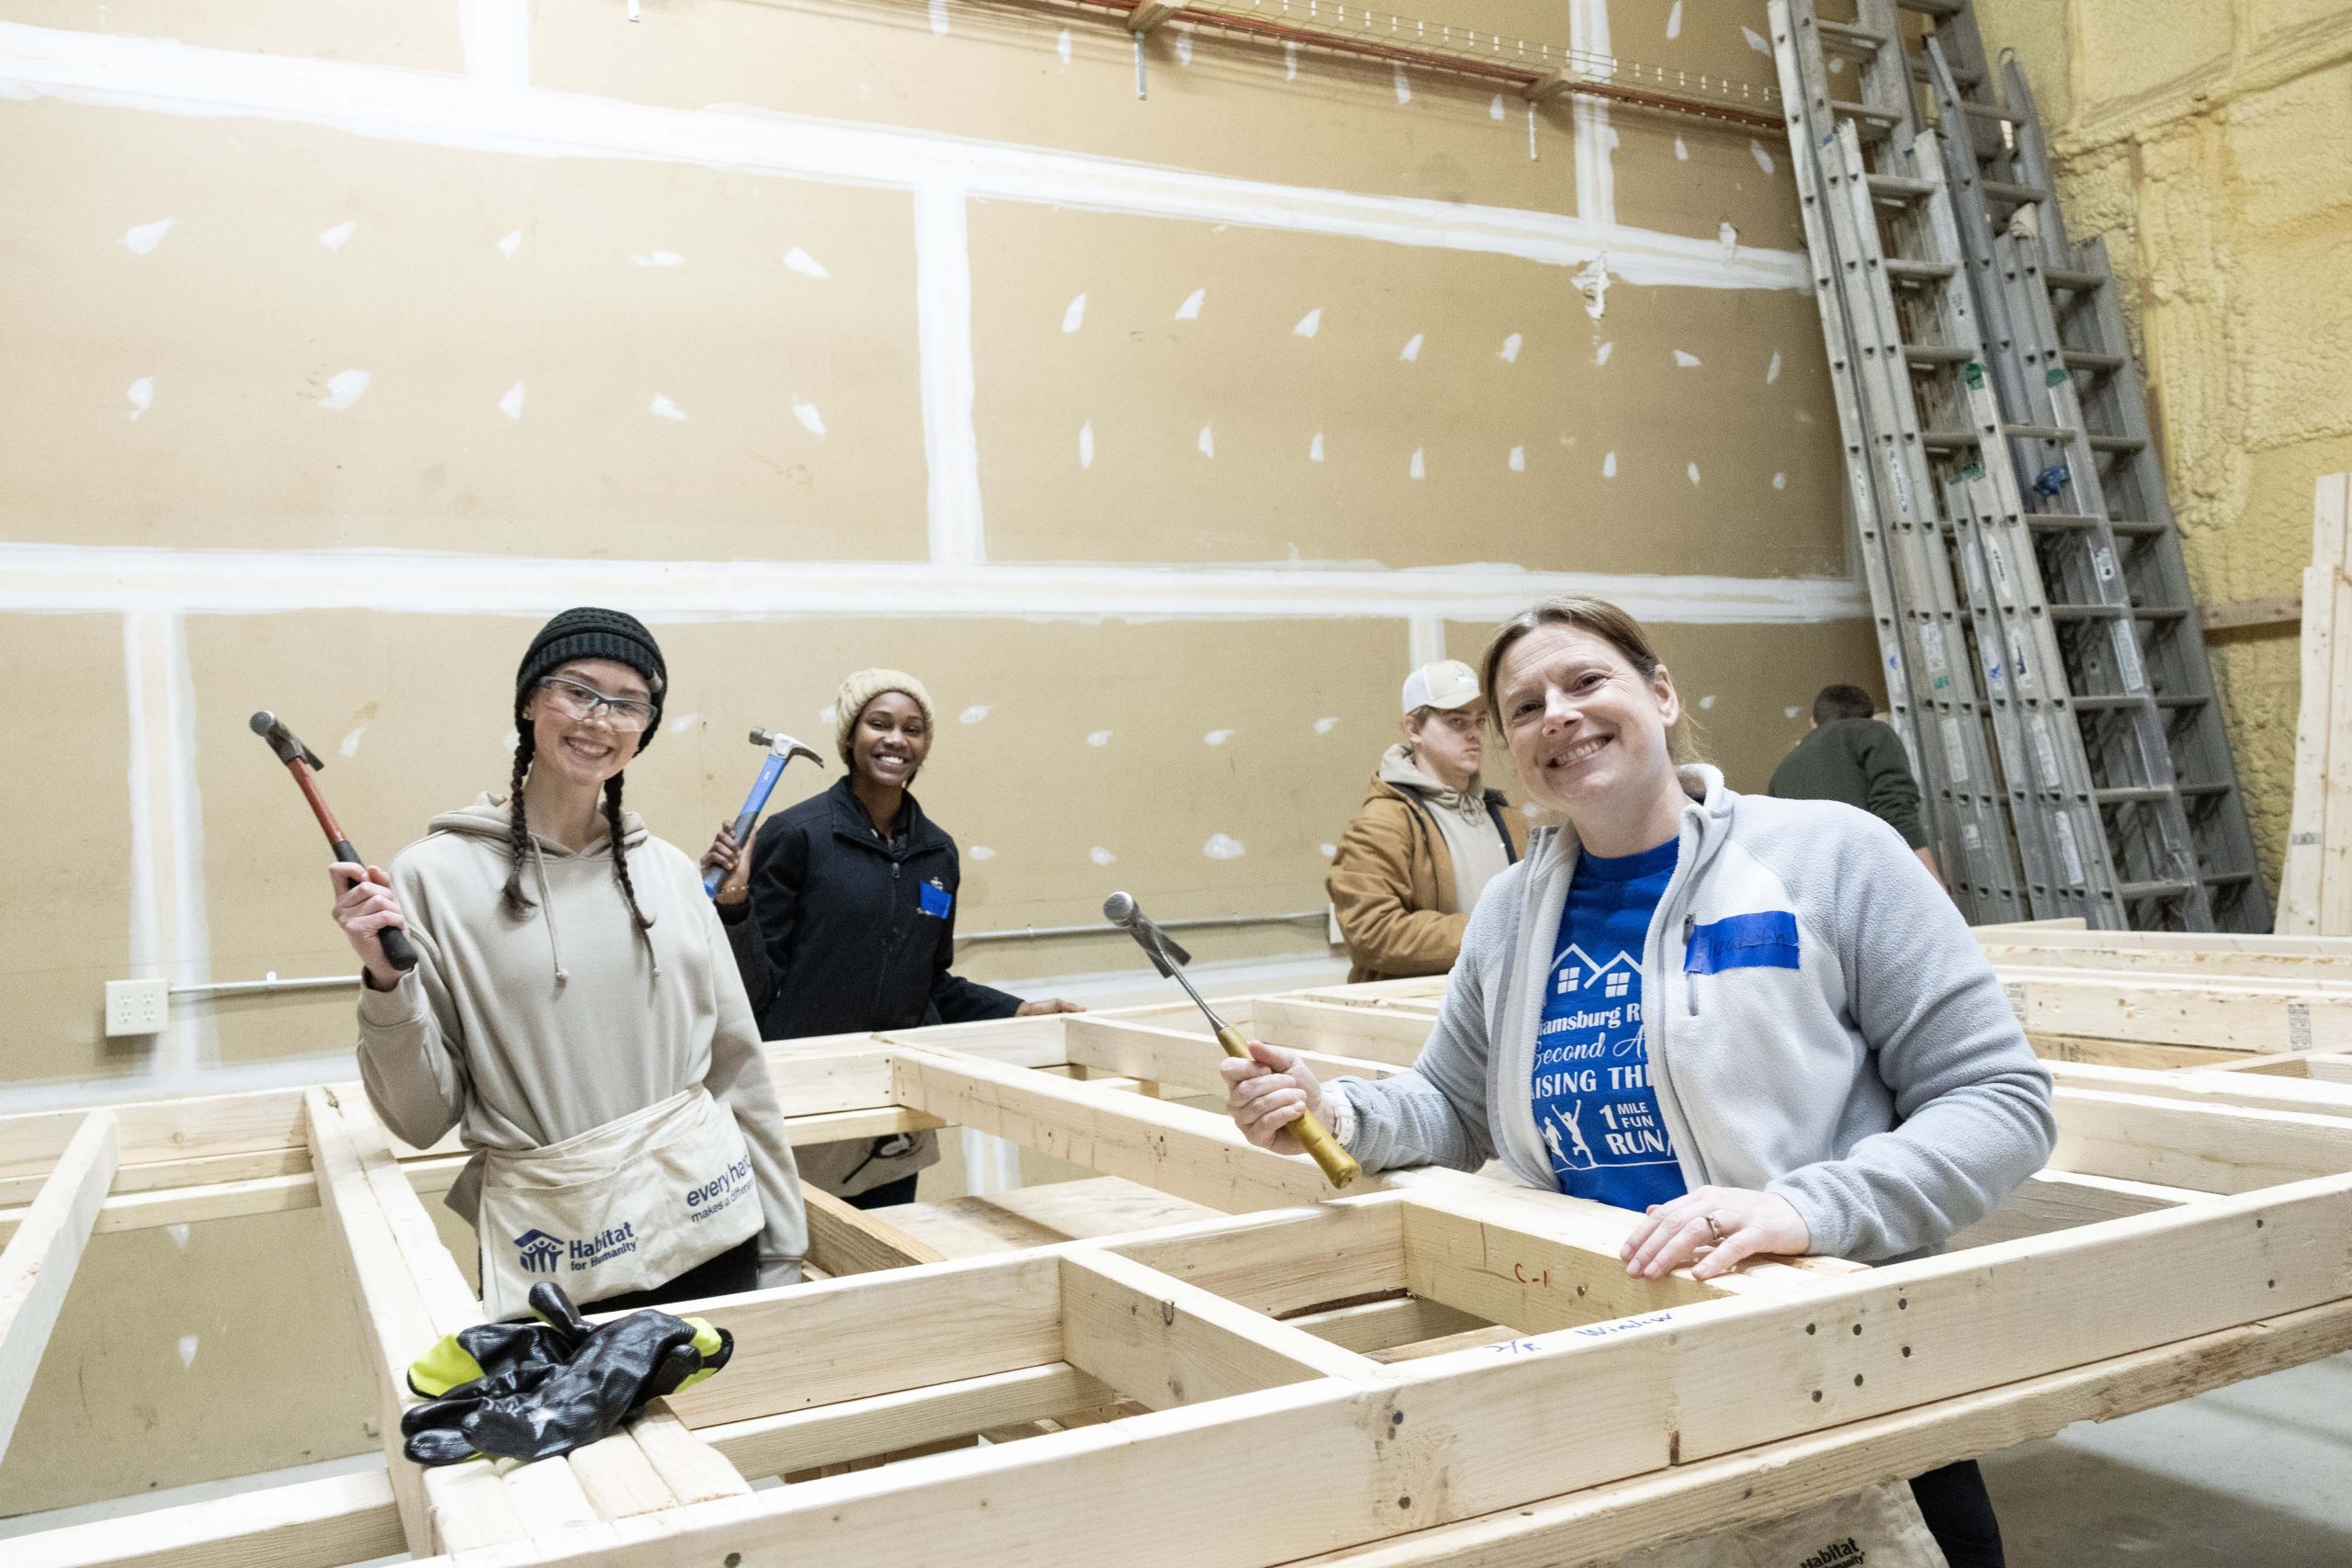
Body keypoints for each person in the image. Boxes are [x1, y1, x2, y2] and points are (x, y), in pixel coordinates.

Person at [1221, 597, 2053, 1567]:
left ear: (1660, 694)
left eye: (1585, 682)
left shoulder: (1828, 856)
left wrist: (1806, 1210)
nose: (1557, 716)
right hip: (1606, 1360)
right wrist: (1337, 1112)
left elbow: (1998, 1100)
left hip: (1835, 1350)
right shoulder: (1509, 913)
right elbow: (1454, 1107)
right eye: (1524, 708)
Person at [330, 608, 808, 1318]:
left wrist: (783, 1247)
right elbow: (420, 1117)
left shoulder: (672, 875)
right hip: (561, 1259)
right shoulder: (434, 878)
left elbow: (738, 1066)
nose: (599, 719)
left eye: (627, 702)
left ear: (644, 728)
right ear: (529, 701)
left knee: (717, 1429)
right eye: (577, 690)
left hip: (707, 1226)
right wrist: (385, 983)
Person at [705, 669, 1081, 1210]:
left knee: (882, 1255)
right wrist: (734, 900)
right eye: (878, 724)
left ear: (925, 745)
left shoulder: (937, 853)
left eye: (913, 729)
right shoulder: (798, 835)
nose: (896, 740)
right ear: (851, 737)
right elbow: (753, 983)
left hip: (893, 1105)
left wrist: (1018, 1010)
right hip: (805, 1096)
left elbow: (931, 983)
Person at [1328, 659, 1523, 983]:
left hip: (1500, 1006)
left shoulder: (1506, 816)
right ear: (1414, 729)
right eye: (1456, 721)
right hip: (1420, 1014)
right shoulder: (1383, 821)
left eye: (1479, 721)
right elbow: (1372, 932)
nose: (1473, 734)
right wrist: (1500, 931)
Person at [1769, 683, 1941, 885]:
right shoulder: (1873, 732)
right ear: (1867, 717)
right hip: (1870, 880)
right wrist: (1933, 886)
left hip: (1814, 891)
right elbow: (1896, 812)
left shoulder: (1783, 771)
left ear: (1813, 723)